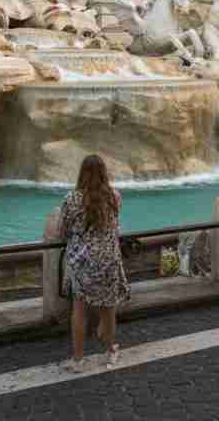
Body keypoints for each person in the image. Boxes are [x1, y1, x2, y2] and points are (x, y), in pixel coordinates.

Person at [61, 155, 130, 371]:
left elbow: (64, 229)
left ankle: (79, 360)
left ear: (81, 172)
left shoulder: (72, 198)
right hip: (108, 259)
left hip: (82, 261)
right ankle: (110, 353)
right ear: (104, 172)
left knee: (79, 311)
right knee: (108, 310)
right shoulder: (114, 196)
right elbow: (114, 225)